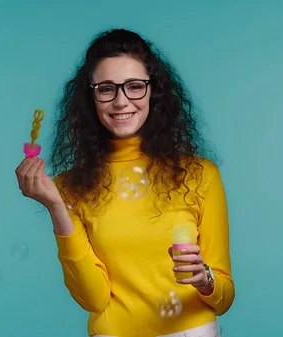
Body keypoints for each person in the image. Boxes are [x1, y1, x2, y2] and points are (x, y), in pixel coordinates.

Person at [15, 28, 234, 337]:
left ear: (153, 91)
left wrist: (204, 279)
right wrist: (56, 206)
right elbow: (94, 298)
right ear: (91, 97)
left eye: (134, 86)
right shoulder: (68, 187)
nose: (121, 101)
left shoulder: (199, 175)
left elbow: (224, 297)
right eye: (106, 88)